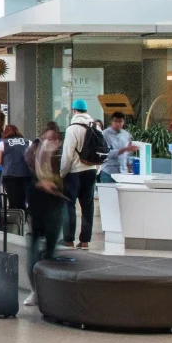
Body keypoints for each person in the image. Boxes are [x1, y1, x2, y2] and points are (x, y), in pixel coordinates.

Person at [25, 126, 70, 308]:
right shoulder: (33, 153)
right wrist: (40, 183)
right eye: (46, 137)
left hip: (54, 206)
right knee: (34, 250)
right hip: (37, 207)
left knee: (50, 249)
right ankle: (35, 290)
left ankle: (46, 291)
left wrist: (54, 185)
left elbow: (66, 178)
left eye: (53, 139)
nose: (50, 142)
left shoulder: (61, 157)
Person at [60, 99, 101, 249]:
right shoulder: (95, 127)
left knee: (69, 205)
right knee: (88, 206)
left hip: (74, 173)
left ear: (74, 111)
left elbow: (67, 154)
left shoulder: (72, 129)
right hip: (90, 172)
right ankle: (85, 241)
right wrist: (96, 170)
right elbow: (100, 151)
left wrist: (63, 173)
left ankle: (69, 240)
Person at [0, 124, 32, 214]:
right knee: (23, 200)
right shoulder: (28, 142)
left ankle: (14, 222)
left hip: (9, 175)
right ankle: (23, 220)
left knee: (12, 201)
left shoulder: (2, 143)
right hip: (26, 175)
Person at [102, 111, 134, 179]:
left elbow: (128, 154)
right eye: (115, 121)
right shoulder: (105, 134)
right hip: (109, 172)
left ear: (123, 122)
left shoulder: (126, 135)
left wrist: (130, 165)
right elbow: (105, 153)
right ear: (111, 122)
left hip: (123, 172)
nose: (118, 124)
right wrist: (124, 150)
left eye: (120, 121)